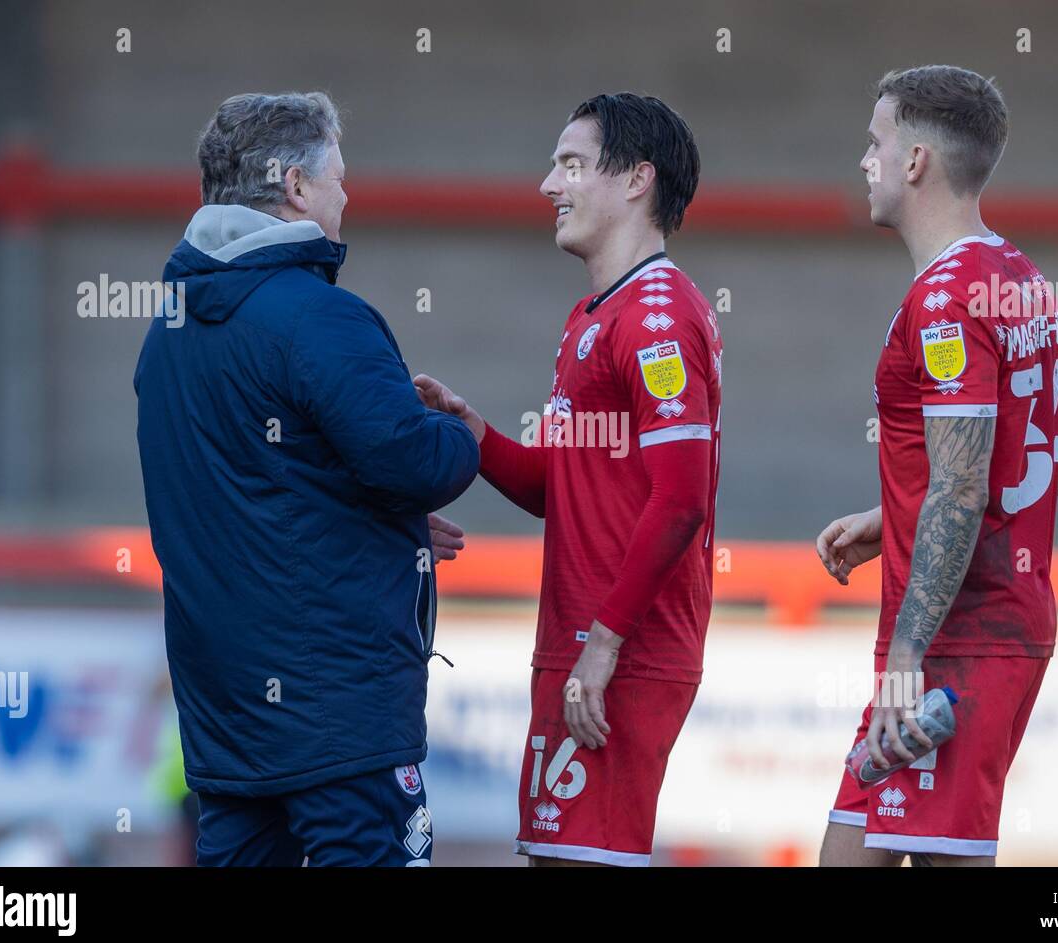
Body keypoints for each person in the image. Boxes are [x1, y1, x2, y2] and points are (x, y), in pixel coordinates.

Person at [134, 91, 479, 866]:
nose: (346, 195)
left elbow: (241, 493)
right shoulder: (319, 317)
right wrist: (461, 431)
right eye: (338, 177)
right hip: (341, 722)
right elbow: (413, 460)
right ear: (294, 185)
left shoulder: (167, 335)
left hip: (226, 724)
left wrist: (366, 521)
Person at [415, 92, 721, 866]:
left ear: (636, 182)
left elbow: (681, 500)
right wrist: (472, 430)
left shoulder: (657, 315)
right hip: (579, 642)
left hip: (622, 648)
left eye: (571, 165)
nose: (549, 186)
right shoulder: (591, 315)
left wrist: (606, 644)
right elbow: (560, 489)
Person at [817, 66, 1058, 866]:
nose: (866, 160)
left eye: (876, 142)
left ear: (917, 161)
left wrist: (903, 658)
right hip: (973, 621)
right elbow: (1050, 462)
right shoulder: (1023, 278)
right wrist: (890, 513)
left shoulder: (946, 298)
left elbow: (962, 489)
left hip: (959, 637)